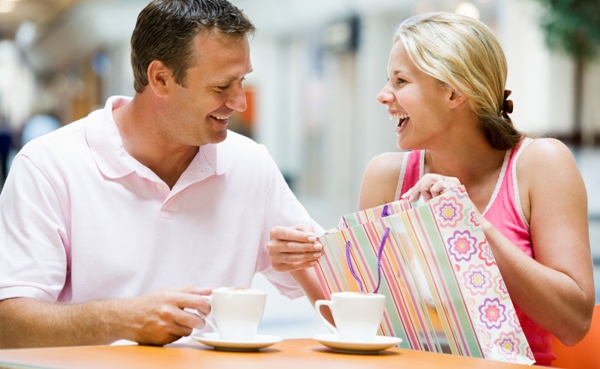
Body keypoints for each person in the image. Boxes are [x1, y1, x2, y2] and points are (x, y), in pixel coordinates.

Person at [268, 12, 595, 366]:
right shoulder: (385, 175)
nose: (382, 95)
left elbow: (574, 324)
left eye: (401, 81)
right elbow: (360, 322)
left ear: (454, 91)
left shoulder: (541, 164)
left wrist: (474, 228)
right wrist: (299, 264)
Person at [0, 0, 325, 348]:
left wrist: (307, 260)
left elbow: (343, 305)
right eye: (221, 87)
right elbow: (9, 324)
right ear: (161, 79)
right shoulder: (49, 166)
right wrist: (123, 320)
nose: (240, 102)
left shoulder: (250, 164)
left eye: (242, 80)